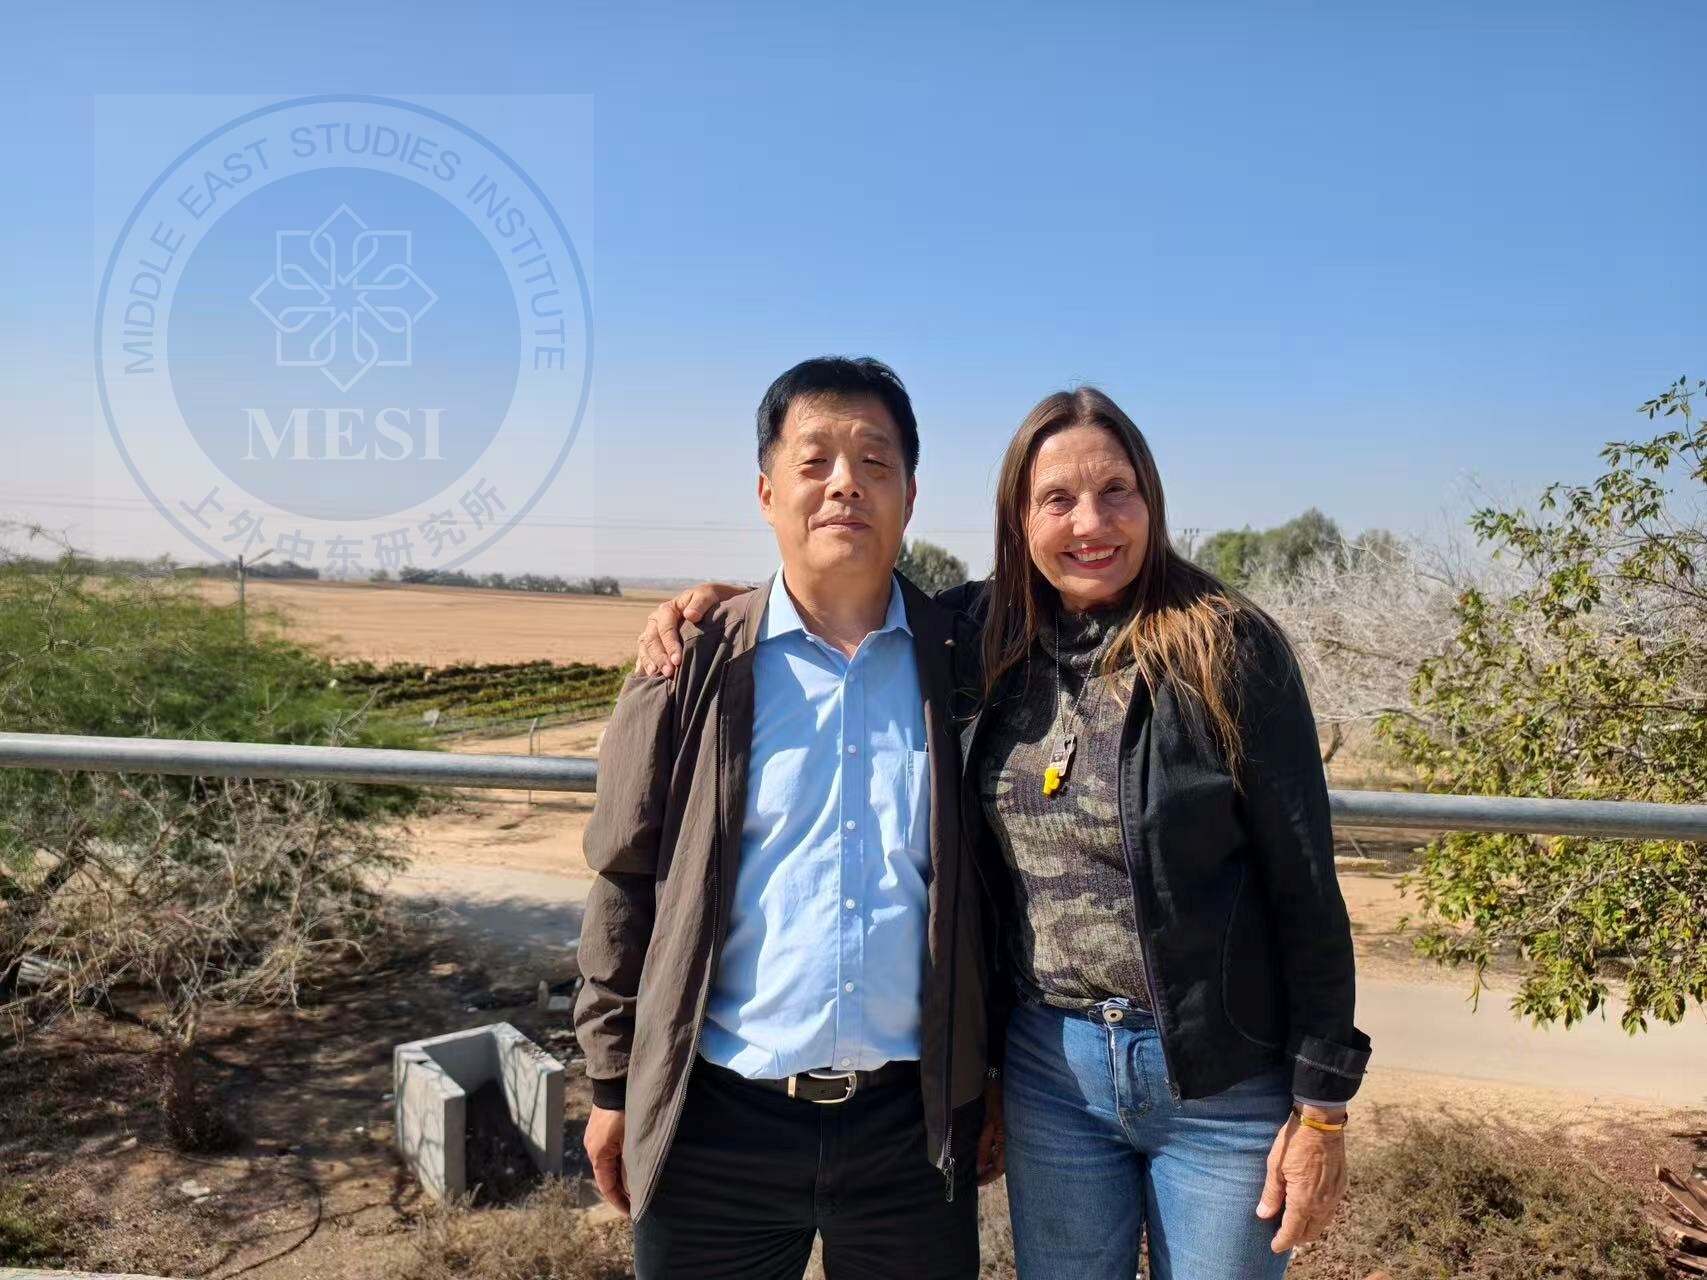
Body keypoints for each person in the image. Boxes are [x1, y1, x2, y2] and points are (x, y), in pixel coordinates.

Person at [637, 386, 1371, 1279]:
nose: (1090, 523)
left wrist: (1321, 1106)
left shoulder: (1228, 649)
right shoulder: (985, 638)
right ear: (1019, 521)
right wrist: (727, 607)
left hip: (1219, 1085)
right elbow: (840, 591)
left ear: (1151, 500)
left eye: (1116, 491)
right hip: (1051, 1076)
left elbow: (1305, 889)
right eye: (1056, 499)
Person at [574, 356, 1000, 1280]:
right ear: (767, 493)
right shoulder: (691, 667)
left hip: (911, 1131)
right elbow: (625, 878)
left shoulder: (967, 665)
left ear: (910, 497)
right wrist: (610, 1084)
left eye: (875, 463)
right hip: (715, 1123)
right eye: (814, 462)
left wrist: (989, 1075)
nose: (845, 483)